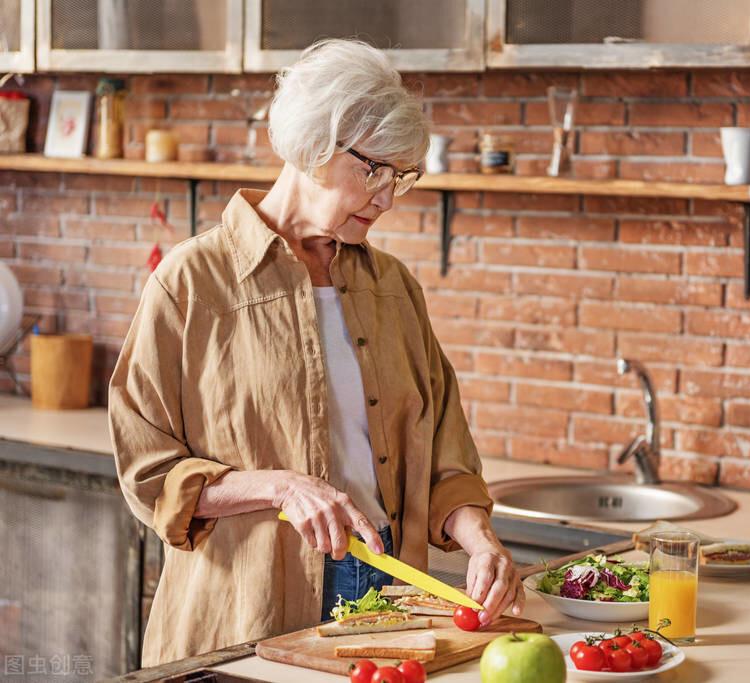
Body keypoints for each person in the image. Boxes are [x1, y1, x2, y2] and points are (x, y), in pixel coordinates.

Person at [109, 39, 523, 667]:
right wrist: (280, 487)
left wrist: (480, 538)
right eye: (374, 171)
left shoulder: (394, 288)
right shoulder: (191, 283)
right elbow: (148, 472)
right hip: (247, 604)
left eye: (400, 177)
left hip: (390, 592)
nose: (386, 197)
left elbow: (444, 450)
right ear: (314, 146)